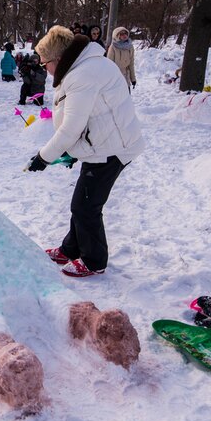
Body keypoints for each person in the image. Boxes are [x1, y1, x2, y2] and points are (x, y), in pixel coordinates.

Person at [25, 25, 145, 278]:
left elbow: (71, 127)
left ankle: (94, 260)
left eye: (45, 63)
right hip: (102, 144)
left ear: (58, 58)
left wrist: (44, 157)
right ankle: (71, 248)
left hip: (113, 149)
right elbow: (89, 117)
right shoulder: (83, 67)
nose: (45, 69)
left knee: (85, 207)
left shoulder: (83, 75)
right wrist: (73, 151)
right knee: (82, 202)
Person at [106, 27, 136, 91]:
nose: (124, 35)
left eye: (125, 33)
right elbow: (109, 65)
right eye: (121, 34)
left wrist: (133, 79)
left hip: (126, 78)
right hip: (116, 78)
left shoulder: (130, 46)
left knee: (127, 96)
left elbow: (131, 64)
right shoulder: (113, 47)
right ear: (117, 36)